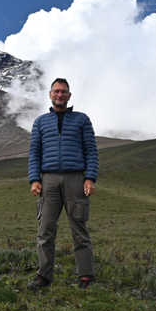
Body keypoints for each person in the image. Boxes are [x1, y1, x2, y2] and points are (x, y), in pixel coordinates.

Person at [26, 78, 98, 290]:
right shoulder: (40, 122)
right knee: (45, 230)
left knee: (79, 229)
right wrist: (34, 180)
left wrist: (90, 178)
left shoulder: (82, 120)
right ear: (50, 94)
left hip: (76, 178)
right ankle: (44, 277)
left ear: (69, 95)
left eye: (64, 92)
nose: (60, 95)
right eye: (56, 91)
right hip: (48, 180)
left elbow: (91, 151)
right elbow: (34, 153)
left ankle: (85, 276)